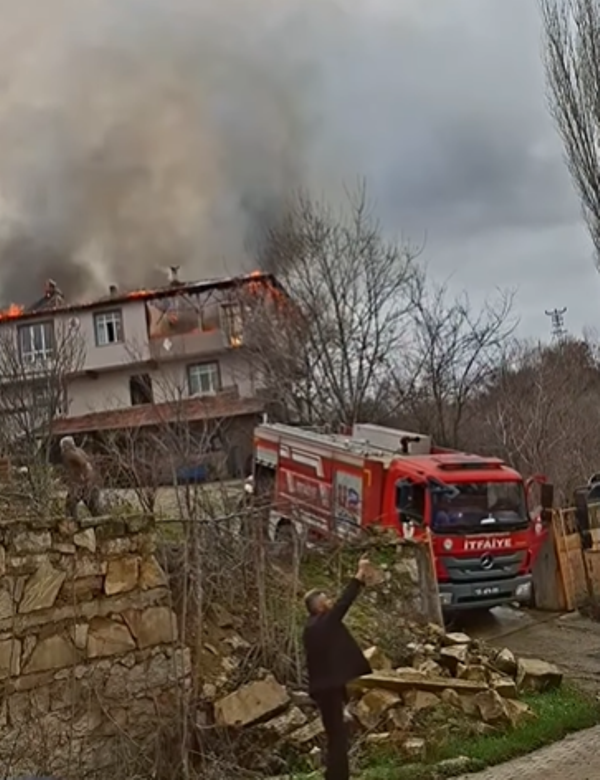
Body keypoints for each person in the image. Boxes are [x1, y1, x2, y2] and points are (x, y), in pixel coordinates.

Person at [302, 555, 373, 780]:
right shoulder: (325, 622)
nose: (331, 601)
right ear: (321, 606)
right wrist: (359, 575)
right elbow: (345, 602)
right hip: (329, 689)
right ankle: (338, 777)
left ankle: (333, 774)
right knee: (338, 737)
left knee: (335, 734)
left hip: (324, 688)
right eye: (327, 600)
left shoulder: (310, 628)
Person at [59, 436, 102, 520]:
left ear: (65, 446)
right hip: (90, 483)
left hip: (81, 484)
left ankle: (72, 524)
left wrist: (85, 476)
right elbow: (87, 462)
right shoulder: (80, 451)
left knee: (70, 506)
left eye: (62, 446)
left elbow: (83, 463)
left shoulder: (69, 453)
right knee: (93, 508)